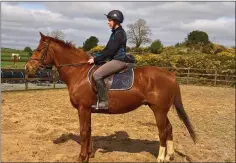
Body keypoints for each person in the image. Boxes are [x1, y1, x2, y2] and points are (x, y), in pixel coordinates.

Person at [88, 10, 130, 110]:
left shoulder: (120, 34)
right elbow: (106, 49)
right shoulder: (115, 33)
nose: (108, 22)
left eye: (110, 20)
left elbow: (110, 51)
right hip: (113, 59)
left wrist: (96, 59)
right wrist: (95, 56)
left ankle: (104, 102)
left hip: (119, 60)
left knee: (97, 75)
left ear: (116, 21)